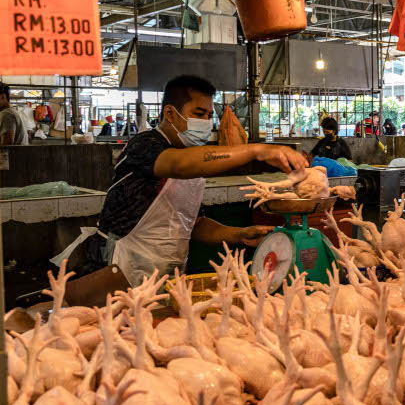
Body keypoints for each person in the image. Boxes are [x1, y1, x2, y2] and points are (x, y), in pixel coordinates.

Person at [98, 75, 307, 284]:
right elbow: (178, 164)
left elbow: (193, 224)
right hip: (120, 269)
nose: (206, 123)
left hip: (166, 274)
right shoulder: (144, 145)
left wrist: (239, 234)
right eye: (199, 114)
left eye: (209, 115)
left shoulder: (191, 155)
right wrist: (257, 150)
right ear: (170, 113)